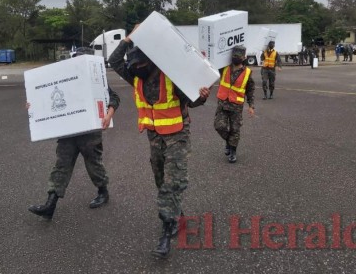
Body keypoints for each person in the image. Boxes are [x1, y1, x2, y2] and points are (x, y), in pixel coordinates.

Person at [108, 28, 210, 259]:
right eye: (136, 69)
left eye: (142, 68)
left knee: (174, 181)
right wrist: (128, 39)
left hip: (177, 134)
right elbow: (114, 60)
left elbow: (192, 101)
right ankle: (177, 214)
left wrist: (202, 96)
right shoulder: (135, 74)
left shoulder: (171, 74)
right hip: (154, 136)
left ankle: (166, 230)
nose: (139, 73)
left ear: (151, 62)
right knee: (160, 178)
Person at [27, 86, 120, 220]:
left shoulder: (89, 73)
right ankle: (50, 204)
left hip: (90, 132)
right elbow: (46, 101)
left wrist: (108, 114)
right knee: (61, 165)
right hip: (68, 131)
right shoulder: (59, 75)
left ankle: (103, 192)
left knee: (94, 164)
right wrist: (33, 106)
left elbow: (114, 97)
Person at [214, 45, 255, 163]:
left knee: (235, 129)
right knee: (219, 126)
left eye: (238, 56)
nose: (236, 58)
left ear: (243, 57)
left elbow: (250, 90)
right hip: (222, 103)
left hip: (236, 106)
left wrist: (251, 105)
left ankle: (233, 151)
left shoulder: (247, 73)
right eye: (234, 56)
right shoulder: (224, 68)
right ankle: (228, 141)